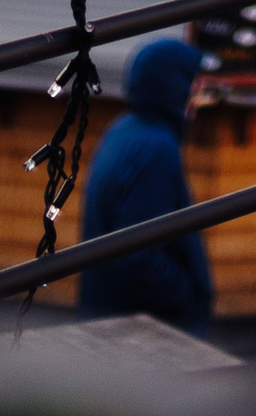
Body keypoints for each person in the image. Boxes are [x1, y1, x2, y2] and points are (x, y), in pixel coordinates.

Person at [75, 35, 215, 330]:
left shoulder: (123, 130)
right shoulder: (156, 150)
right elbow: (140, 260)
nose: (199, 90)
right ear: (174, 86)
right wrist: (189, 300)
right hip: (140, 331)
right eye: (193, 81)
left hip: (106, 315)